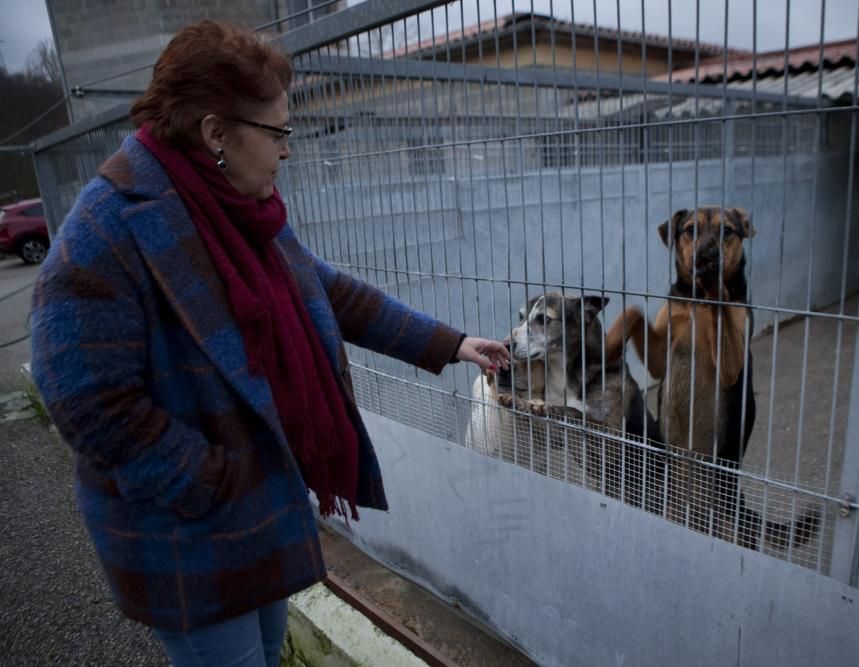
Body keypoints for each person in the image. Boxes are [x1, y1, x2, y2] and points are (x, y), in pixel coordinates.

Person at [29, 19, 509, 667]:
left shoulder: (234, 206)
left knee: (264, 651)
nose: (288, 150)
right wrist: (211, 479)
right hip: (188, 533)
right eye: (278, 132)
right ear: (216, 134)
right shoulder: (106, 227)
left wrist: (450, 343)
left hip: (258, 508)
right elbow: (84, 399)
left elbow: (327, 290)